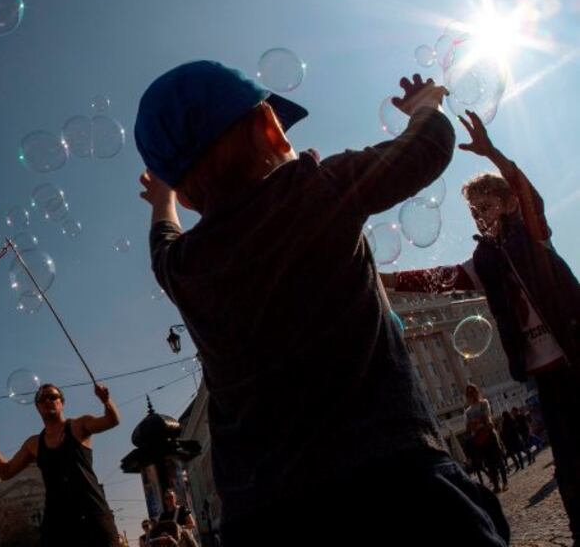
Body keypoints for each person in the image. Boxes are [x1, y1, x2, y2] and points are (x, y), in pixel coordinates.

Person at [136, 60, 510, 545]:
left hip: (262, 514)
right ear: (272, 129)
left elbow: (162, 240)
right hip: (390, 478)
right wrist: (426, 106)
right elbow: (426, 149)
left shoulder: (184, 267)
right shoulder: (316, 186)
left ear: (187, 198)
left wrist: (161, 199)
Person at [382, 111, 580, 539]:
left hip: (574, 354)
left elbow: (525, 190)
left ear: (508, 204)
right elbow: (442, 279)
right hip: (543, 377)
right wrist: (387, 280)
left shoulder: (531, 233)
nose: (479, 217)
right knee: (570, 468)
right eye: (473, 212)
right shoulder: (484, 260)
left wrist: (492, 153)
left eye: (486, 207)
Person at [0, 382, 121, 546]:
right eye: (42, 399)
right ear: (37, 407)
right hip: (57, 523)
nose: (47, 401)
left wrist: (106, 401)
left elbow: (112, 420)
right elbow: (5, 472)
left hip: (92, 515)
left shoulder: (79, 425)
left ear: (62, 402)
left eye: (52, 397)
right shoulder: (33, 444)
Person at [464, 385, 508, 493]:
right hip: (479, 438)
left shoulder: (484, 403)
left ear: (477, 392)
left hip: (489, 433)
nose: (472, 394)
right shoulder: (468, 411)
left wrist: (477, 422)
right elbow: (468, 427)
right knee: (488, 463)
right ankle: (496, 485)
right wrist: (478, 422)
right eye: (469, 393)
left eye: (473, 391)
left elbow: (486, 416)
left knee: (498, 459)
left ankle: (505, 482)